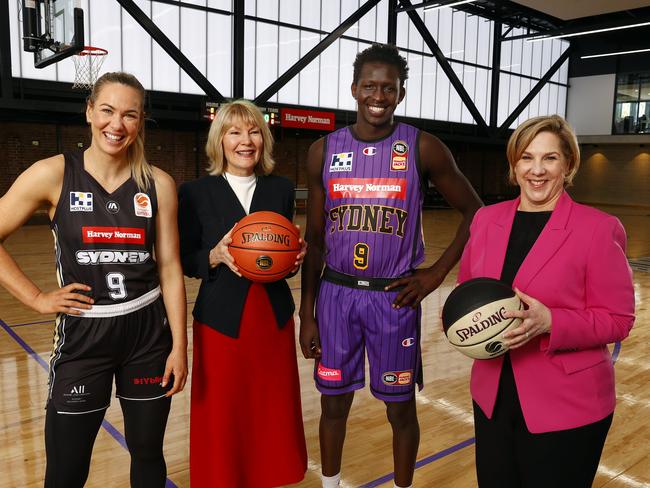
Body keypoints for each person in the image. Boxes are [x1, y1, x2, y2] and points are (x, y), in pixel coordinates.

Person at [299, 43, 482, 488]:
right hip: (336, 296)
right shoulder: (323, 151)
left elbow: (479, 213)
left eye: (388, 88)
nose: (377, 96)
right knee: (333, 404)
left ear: (400, 94)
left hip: (392, 298)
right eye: (369, 86)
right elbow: (317, 240)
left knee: (400, 407)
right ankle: (332, 484)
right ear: (354, 90)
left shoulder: (424, 148)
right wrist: (307, 312)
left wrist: (436, 273)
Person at [0, 72, 188, 487]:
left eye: (129, 115)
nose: (116, 124)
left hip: (147, 336)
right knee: (66, 472)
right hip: (84, 338)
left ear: (141, 121)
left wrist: (180, 345)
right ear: (89, 112)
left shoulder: (158, 184)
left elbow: (170, 267)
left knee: (148, 457)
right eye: (106, 110)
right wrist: (35, 298)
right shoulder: (52, 174)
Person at [457, 115, 635, 487]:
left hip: (567, 404)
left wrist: (552, 321)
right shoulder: (486, 220)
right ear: (514, 164)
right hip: (493, 396)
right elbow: (467, 295)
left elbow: (619, 319)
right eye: (526, 157)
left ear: (568, 164)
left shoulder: (598, 228)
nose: (536, 170)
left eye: (550, 158)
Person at [178, 99, 308, 488]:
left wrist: (294, 259)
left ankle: (270, 475)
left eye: (253, 132)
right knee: (222, 410)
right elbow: (184, 258)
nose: (244, 141)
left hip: (272, 317)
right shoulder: (196, 192)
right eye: (234, 132)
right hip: (221, 320)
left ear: (263, 139)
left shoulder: (281, 189)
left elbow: (281, 252)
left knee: (270, 407)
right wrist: (214, 256)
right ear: (219, 141)